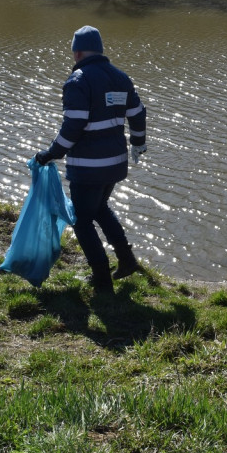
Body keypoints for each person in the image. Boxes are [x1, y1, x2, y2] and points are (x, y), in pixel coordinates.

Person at [35, 26, 148, 294]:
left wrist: (51, 153)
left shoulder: (78, 80)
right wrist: (138, 143)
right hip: (116, 163)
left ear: (77, 52)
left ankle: (101, 278)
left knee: (82, 220)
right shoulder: (120, 78)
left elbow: (73, 125)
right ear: (100, 50)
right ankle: (127, 260)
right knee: (99, 208)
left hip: (88, 166)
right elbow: (138, 113)